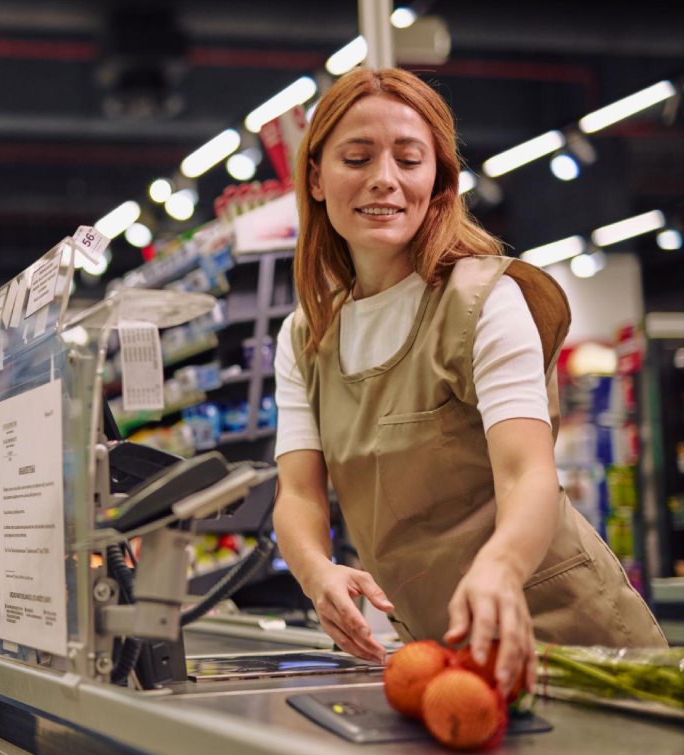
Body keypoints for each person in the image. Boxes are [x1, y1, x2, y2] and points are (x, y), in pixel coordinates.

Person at [271, 68, 665, 699]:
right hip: (442, 649)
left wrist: (501, 566)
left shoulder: (485, 300)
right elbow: (297, 493)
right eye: (357, 158)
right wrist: (316, 573)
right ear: (316, 178)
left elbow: (527, 473)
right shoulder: (307, 335)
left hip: (569, 634)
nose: (384, 178)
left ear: (438, 181)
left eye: (409, 159)